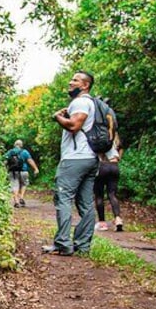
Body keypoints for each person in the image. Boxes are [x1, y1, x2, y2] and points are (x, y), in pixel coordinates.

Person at [42, 71, 100, 256]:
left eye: (75, 80)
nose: (70, 82)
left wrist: (57, 117)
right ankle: (82, 246)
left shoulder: (81, 102)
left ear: (85, 85)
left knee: (63, 198)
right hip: (91, 158)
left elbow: (74, 126)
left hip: (75, 158)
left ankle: (63, 243)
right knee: (85, 203)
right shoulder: (93, 104)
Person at [94, 130, 124, 231]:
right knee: (112, 194)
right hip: (114, 166)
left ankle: (102, 223)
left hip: (102, 165)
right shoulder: (114, 136)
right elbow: (120, 150)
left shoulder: (98, 136)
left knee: (99, 195)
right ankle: (118, 218)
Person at [3, 139, 39, 208]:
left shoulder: (10, 152)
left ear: (14, 145)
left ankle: (16, 201)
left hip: (13, 172)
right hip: (23, 171)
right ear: (21, 145)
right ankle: (21, 197)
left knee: (14, 185)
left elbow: (5, 161)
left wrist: (3, 169)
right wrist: (35, 169)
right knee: (24, 184)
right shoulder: (24, 152)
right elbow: (30, 161)